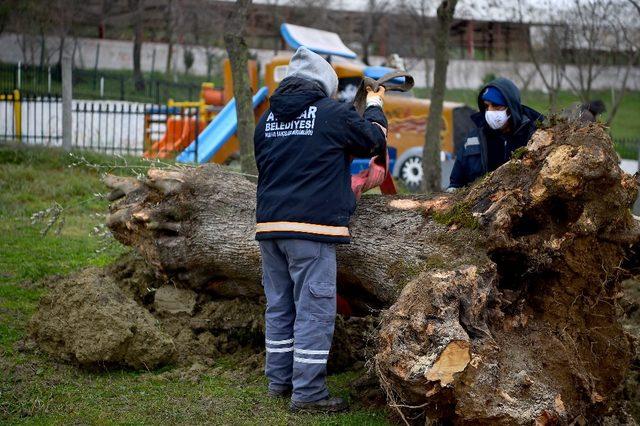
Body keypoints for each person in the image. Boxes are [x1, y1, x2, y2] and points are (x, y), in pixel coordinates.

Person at [253, 46, 388, 413]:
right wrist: (374, 105)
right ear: (324, 84)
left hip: (269, 227)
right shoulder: (330, 112)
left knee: (280, 306)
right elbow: (372, 141)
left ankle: (279, 382)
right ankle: (309, 393)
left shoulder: (266, 120)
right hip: (310, 230)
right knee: (314, 309)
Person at [448, 77, 544, 191]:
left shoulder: (536, 135)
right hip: (479, 207)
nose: (490, 112)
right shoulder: (474, 139)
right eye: (487, 106)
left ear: (511, 107)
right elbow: (455, 184)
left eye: (496, 106)